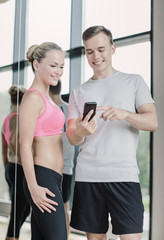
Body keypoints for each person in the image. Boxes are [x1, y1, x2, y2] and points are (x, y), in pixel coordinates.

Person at [66, 25, 158, 240]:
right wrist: (80, 130)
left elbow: (152, 122)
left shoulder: (133, 81)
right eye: (89, 52)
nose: (95, 56)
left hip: (123, 175)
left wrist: (126, 114)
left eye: (101, 49)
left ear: (113, 48)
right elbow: (72, 137)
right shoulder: (78, 92)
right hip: (88, 176)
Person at [19, 42, 67, 240]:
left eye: (62, 66)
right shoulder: (33, 98)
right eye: (53, 65)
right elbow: (24, 144)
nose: (58, 71)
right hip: (41, 178)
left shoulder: (48, 99)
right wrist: (33, 187)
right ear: (37, 65)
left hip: (53, 178)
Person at [1, 85, 30, 240]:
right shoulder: (22, 117)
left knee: (20, 210)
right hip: (20, 168)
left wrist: (8, 170)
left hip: (11, 168)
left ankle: (13, 235)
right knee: (18, 213)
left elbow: (3, 150)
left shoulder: (6, 119)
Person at [49, 80, 75, 237]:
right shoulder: (69, 109)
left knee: (48, 207)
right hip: (67, 167)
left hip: (52, 167)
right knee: (64, 207)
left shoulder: (50, 110)